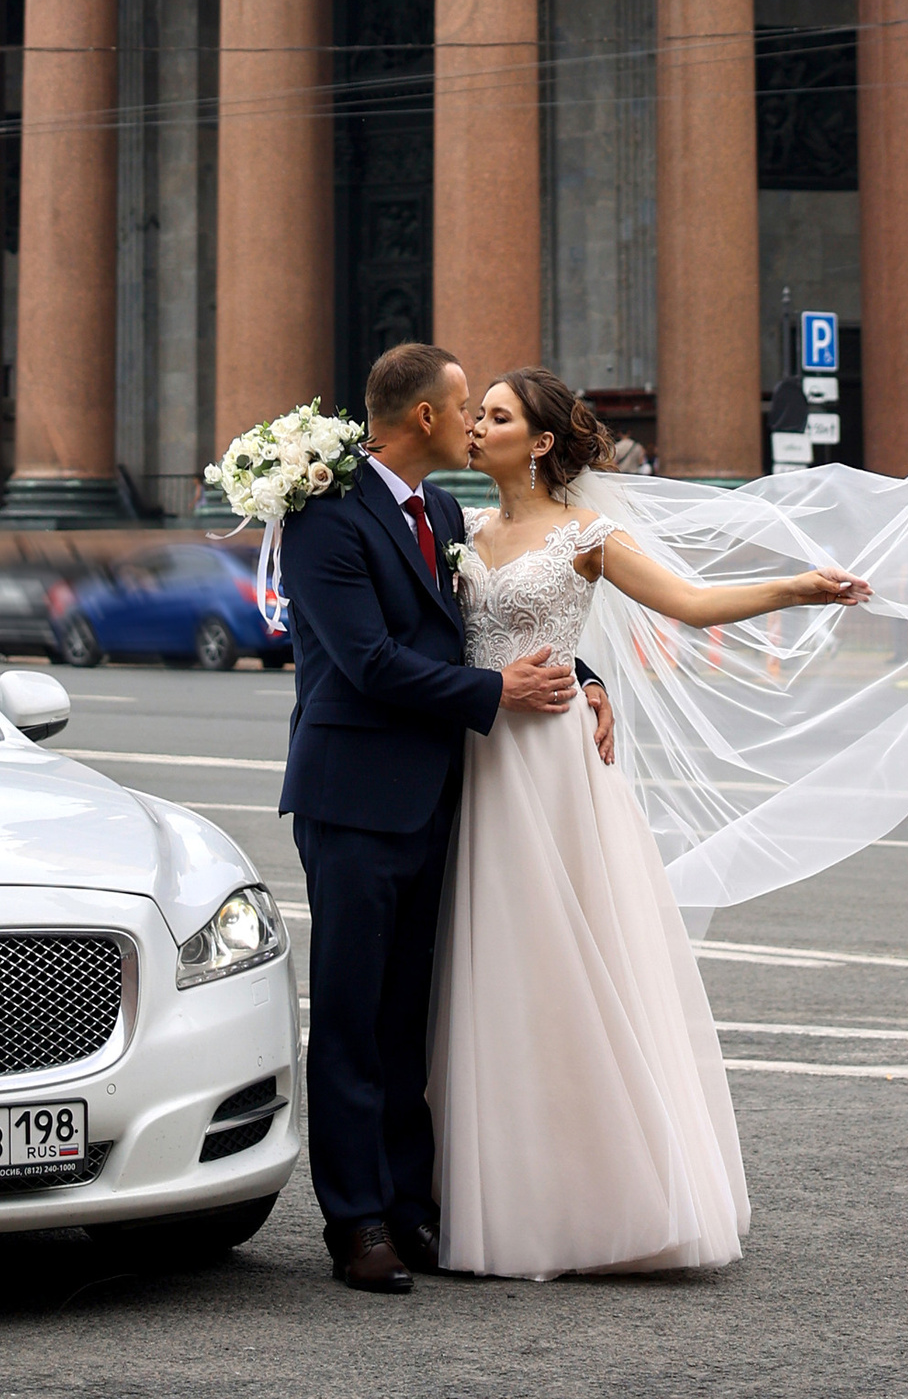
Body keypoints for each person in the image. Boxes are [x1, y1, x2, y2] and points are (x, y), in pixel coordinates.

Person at [429, 372, 869, 1275]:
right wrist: (588, 677)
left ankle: (600, 1198)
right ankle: (498, 1191)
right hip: (478, 762)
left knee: (568, 969)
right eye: (478, 413)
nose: (477, 426)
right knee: (493, 972)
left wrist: (793, 588)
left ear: (541, 443)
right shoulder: (461, 532)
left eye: (498, 415)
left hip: (550, 772)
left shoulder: (588, 537)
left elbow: (689, 602)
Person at [277, 344, 594, 1292]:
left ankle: (412, 1206)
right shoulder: (323, 515)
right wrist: (493, 690)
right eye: (465, 408)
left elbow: (480, 630)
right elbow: (368, 659)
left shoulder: (445, 511)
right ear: (424, 419)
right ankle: (356, 1223)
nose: (473, 423)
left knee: (408, 1015)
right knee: (349, 1017)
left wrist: (579, 674)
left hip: (435, 793)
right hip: (353, 796)